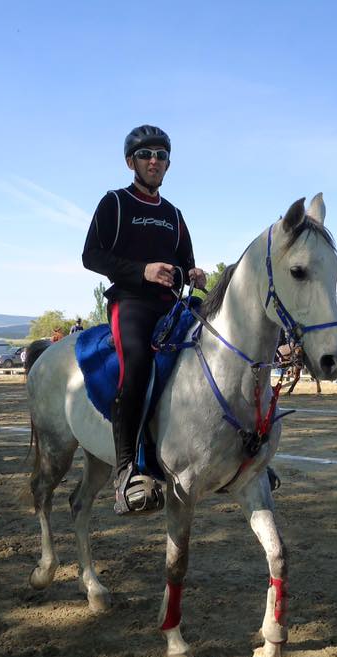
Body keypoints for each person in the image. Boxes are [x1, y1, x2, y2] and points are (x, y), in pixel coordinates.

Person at [82, 124, 206, 515]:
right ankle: (125, 472)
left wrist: (193, 274)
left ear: (168, 164)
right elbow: (92, 256)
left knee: (218, 349)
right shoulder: (115, 203)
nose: (154, 161)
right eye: (146, 154)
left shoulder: (174, 215)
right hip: (130, 302)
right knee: (136, 362)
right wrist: (142, 271)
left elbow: (183, 264)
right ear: (130, 161)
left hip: (171, 305)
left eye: (161, 155)